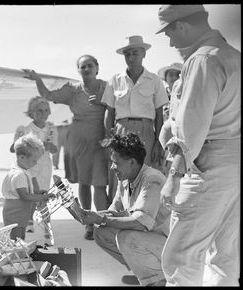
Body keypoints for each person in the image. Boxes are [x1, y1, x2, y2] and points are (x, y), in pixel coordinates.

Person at [156, 5, 240, 286]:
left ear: (182, 26)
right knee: (223, 257)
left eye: (169, 32)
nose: (170, 41)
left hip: (206, 164)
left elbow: (191, 127)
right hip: (234, 165)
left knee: (182, 258)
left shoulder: (202, 60)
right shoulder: (233, 56)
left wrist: (173, 177)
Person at [23, 54, 110, 240]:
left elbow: (119, 106)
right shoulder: (73, 91)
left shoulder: (106, 87)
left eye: (89, 65)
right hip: (79, 139)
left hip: (101, 139)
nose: (86, 69)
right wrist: (38, 79)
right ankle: (88, 225)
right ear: (78, 71)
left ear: (97, 68)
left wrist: (103, 102)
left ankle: (104, 223)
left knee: (101, 184)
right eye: (82, 67)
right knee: (85, 182)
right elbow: (47, 95)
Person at [80, 133, 170, 286]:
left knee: (126, 237)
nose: (112, 167)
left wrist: (101, 218)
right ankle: (145, 272)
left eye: (116, 163)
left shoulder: (152, 179)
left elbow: (141, 223)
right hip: (150, 240)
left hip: (168, 246)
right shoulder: (125, 180)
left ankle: (159, 278)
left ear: (132, 162)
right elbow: (112, 212)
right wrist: (88, 215)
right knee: (102, 232)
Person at [102, 35, 169, 205]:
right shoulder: (114, 80)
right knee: (119, 177)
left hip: (146, 131)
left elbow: (159, 114)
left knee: (144, 175)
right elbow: (109, 113)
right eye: (127, 54)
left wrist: (158, 143)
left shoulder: (154, 80)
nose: (130, 58)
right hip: (121, 130)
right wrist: (110, 139)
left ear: (143, 54)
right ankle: (118, 217)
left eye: (135, 53)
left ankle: (141, 217)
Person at [10, 96, 58, 246]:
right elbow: (13, 148)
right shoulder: (25, 130)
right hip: (29, 168)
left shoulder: (51, 128)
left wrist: (47, 146)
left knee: (43, 197)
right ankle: (27, 225)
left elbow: (55, 148)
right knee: (30, 197)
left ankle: (47, 231)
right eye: (39, 111)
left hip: (44, 167)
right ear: (31, 113)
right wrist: (29, 144)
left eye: (45, 110)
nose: (43, 114)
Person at [2, 133, 55, 241]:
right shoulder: (19, 175)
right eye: (34, 160)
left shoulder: (22, 170)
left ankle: (19, 255)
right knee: (16, 240)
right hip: (15, 214)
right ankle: (16, 256)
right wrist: (42, 198)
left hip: (19, 215)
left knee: (20, 239)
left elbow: (26, 191)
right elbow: (24, 195)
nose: (35, 163)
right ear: (22, 157)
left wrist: (38, 192)